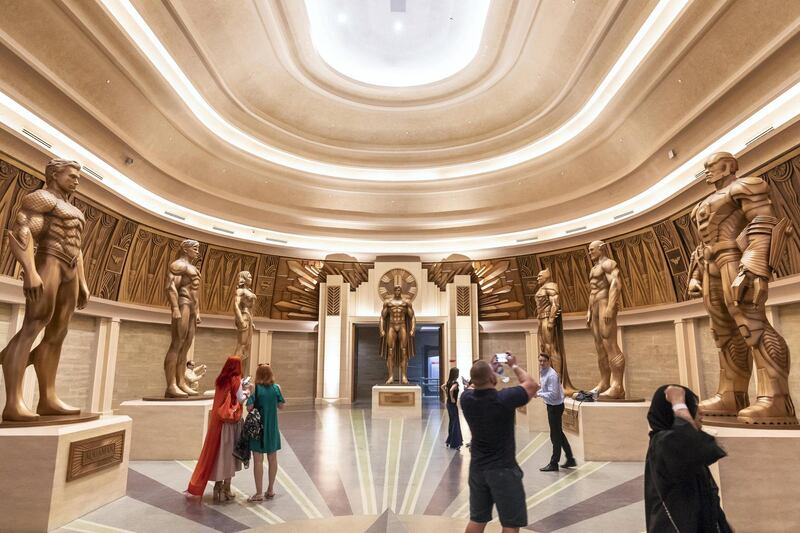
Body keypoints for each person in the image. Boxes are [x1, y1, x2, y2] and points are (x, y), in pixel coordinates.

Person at [460, 354, 539, 533]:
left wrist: (488, 370)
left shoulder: (466, 399)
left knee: (477, 519)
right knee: (510, 523)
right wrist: (514, 365)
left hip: (478, 468)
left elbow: (474, 384)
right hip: (503, 469)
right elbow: (532, 385)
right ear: (492, 378)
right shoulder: (504, 398)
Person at [645, 384, 733, 533]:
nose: (701, 412)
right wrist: (679, 405)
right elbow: (699, 445)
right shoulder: (664, 443)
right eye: (693, 406)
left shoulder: (671, 442)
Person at [187, 356, 246, 502]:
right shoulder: (236, 379)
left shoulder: (220, 380)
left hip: (220, 423)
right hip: (231, 423)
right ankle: (226, 487)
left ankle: (217, 487)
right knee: (230, 456)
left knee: (220, 454)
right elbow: (240, 399)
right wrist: (247, 391)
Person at [247, 363, 285, 502]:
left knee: (258, 461)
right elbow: (281, 406)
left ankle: (258, 493)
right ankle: (270, 489)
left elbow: (250, 408)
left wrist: (249, 395)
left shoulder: (255, 388)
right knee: (273, 459)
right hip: (272, 428)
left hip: (258, 429)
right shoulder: (276, 388)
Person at [536, 353, 576, 472]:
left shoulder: (552, 375)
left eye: (544, 361)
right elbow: (545, 388)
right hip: (551, 406)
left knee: (555, 435)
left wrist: (538, 394)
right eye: (540, 361)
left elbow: (554, 395)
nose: (542, 363)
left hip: (555, 407)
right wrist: (536, 388)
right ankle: (570, 459)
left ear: (549, 361)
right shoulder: (543, 372)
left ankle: (554, 463)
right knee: (558, 433)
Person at [442, 367, 463, 449]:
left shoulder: (448, 382)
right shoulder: (455, 383)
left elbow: (442, 387)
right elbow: (451, 390)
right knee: (455, 422)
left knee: (452, 422)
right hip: (452, 404)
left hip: (448, 404)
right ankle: (455, 443)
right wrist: (452, 398)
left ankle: (449, 440)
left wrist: (447, 395)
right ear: (456, 374)